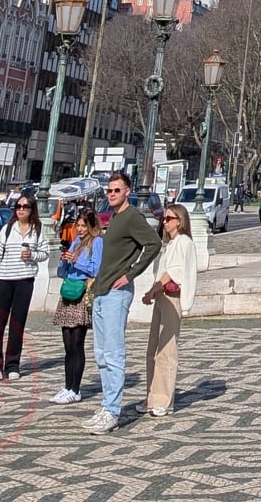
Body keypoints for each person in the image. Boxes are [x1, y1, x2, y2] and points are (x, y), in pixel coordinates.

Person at [83, 170, 164, 433]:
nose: (112, 194)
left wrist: (130, 274)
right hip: (102, 291)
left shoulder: (132, 216)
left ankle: (113, 411)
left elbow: (153, 243)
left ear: (127, 191)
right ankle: (106, 405)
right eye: (109, 190)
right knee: (101, 353)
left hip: (116, 294)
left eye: (117, 190)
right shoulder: (116, 217)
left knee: (114, 353)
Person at [143, 202, 198, 416]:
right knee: (153, 349)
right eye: (163, 219)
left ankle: (164, 400)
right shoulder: (170, 243)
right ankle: (151, 396)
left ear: (180, 221)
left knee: (167, 350)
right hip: (161, 297)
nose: (164, 223)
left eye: (169, 219)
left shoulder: (184, 242)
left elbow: (173, 272)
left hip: (172, 297)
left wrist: (152, 291)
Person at [0, 193, 43, 380]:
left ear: (32, 209)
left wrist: (32, 255)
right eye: (18, 206)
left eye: (25, 207)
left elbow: (44, 253)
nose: (21, 210)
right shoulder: (7, 229)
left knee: (17, 325)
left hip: (25, 281)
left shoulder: (37, 229)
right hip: (4, 280)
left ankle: (12, 365)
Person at [51, 203, 103, 404]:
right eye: (78, 226)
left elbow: (96, 269)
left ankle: (76, 388)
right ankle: (67, 386)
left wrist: (76, 260)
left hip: (82, 293)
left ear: (91, 225)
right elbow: (62, 272)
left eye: (83, 226)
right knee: (67, 345)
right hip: (68, 291)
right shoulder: (75, 242)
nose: (80, 229)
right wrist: (64, 260)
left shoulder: (96, 242)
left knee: (77, 343)